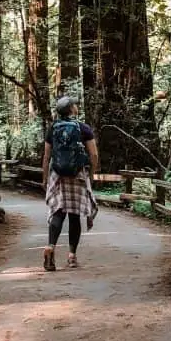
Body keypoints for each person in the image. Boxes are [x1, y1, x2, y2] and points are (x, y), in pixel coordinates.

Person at [42, 96, 99, 270]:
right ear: (71, 109)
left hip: (57, 175)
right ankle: (72, 257)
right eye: (75, 105)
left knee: (58, 212)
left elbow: (46, 157)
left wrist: (45, 178)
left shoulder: (53, 128)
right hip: (77, 175)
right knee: (74, 216)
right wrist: (91, 173)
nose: (76, 106)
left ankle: (50, 247)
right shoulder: (83, 128)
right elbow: (94, 154)